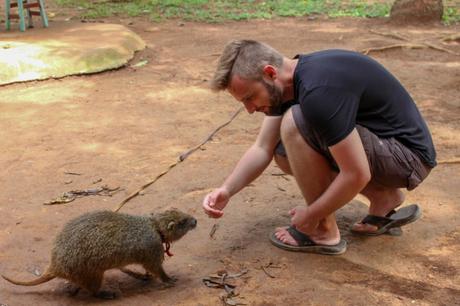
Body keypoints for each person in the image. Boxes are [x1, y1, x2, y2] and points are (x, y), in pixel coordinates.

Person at [202, 40, 436, 255]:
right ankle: (382, 196)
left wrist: (311, 215)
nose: (250, 109)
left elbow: (357, 173)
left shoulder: (318, 90)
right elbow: (262, 148)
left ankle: (323, 230)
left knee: (295, 122)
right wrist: (227, 190)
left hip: (407, 158)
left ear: (270, 73)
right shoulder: (287, 84)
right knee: (285, 152)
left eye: (250, 98)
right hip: (388, 150)